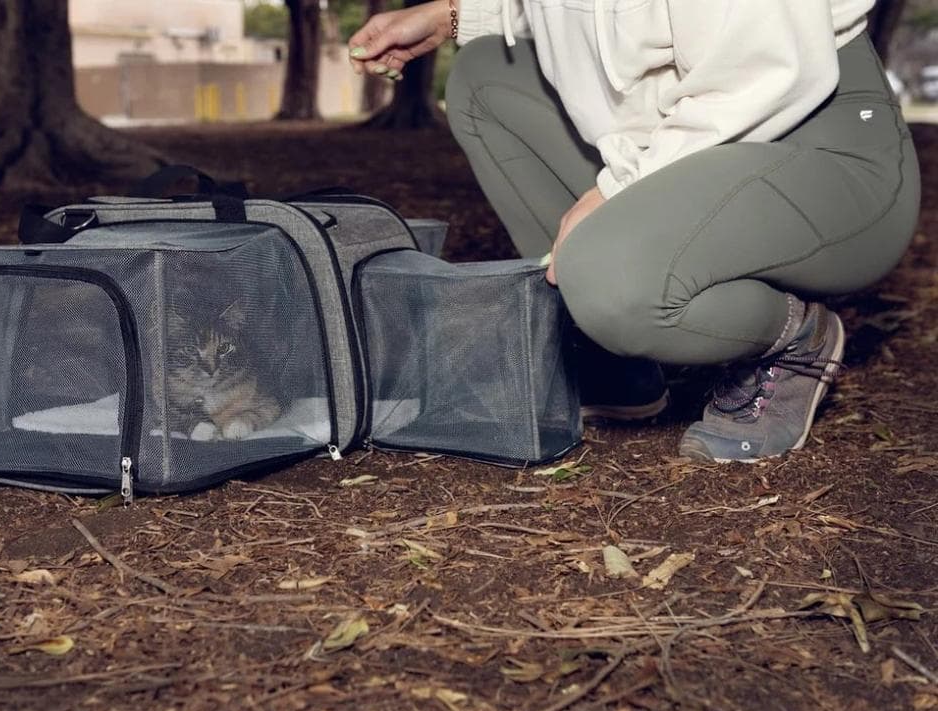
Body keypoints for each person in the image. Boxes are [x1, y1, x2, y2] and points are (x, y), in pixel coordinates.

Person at [349, 0, 920, 463]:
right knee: (485, 75)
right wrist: (450, 16)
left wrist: (617, 187)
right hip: (679, 137)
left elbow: (765, 72)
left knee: (608, 281)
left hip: (817, 141)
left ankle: (795, 337)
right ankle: (613, 363)